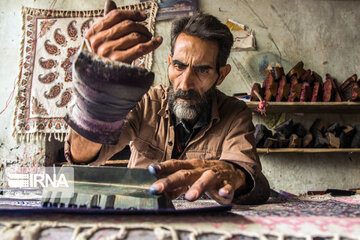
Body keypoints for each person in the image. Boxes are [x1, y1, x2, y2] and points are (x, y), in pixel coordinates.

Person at [64, 2, 270, 205]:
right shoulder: (144, 102)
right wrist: (95, 103)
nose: (185, 83)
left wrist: (231, 173)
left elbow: (247, 176)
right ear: (170, 62)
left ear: (221, 74)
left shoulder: (235, 113)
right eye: (179, 66)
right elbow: (81, 157)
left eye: (202, 70)